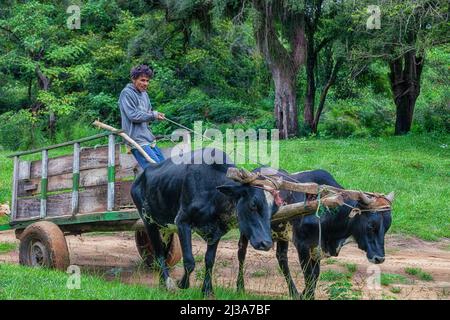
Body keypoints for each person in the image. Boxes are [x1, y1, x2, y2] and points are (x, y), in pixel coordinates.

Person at [118, 64, 166, 168]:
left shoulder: (145, 94)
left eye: (147, 81)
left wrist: (156, 115)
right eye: (142, 80)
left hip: (148, 139)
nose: (145, 83)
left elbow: (148, 114)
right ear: (133, 79)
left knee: (164, 168)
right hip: (136, 140)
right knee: (156, 171)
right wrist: (153, 115)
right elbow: (133, 115)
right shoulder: (126, 93)